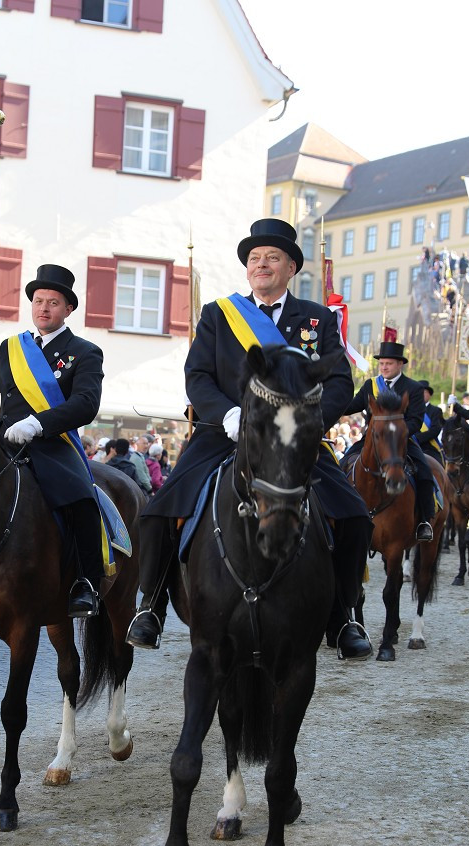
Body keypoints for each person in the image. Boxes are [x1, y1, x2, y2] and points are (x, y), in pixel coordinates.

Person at [126, 218, 374, 659]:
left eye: (272, 258)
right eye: (255, 259)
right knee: (160, 511)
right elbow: (197, 376)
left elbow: (339, 382)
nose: (262, 265)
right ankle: (151, 606)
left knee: (354, 515)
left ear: (291, 267)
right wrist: (229, 413)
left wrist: (305, 420)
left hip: (294, 440)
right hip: (227, 435)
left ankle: (345, 615)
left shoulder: (317, 320)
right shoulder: (220, 315)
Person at [0, 263, 105, 618]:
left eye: (53, 302)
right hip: (4, 444)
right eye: (39, 301)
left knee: (82, 501)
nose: (44, 308)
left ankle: (87, 583)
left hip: (52, 445)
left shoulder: (84, 351)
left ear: (68, 309)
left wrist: (38, 424)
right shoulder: (12, 348)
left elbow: (86, 403)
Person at [344, 342, 435, 542]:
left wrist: (396, 434)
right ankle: (337, 514)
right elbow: (353, 405)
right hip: (372, 440)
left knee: (425, 472)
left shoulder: (414, 388)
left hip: (401, 440)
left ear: (400, 365)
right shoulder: (371, 385)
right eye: (382, 363)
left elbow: (416, 420)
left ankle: (425, 522)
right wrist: (333, 402)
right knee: (342, 464)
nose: (384, 367)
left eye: (389, 364)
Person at [415, 381, 444, 465]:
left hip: (429, 447)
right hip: (413, 446)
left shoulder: (436, 411)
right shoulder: (410, 410)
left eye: (424, 392)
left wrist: (418, 438)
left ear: (429, 395)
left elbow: (435, 430)